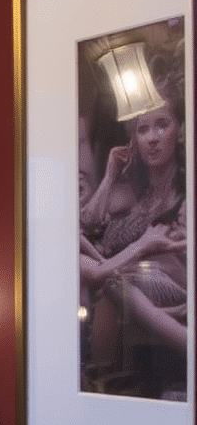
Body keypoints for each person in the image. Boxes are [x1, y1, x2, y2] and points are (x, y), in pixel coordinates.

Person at [79, 72, 187, 398]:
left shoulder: (185, 193)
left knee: (115, 282)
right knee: (114, 282)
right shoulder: (130, 193)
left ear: (180, 131)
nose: (152, 137)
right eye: (143, 129)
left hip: (169, 305)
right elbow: (85, 224)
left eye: (162, 125)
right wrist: (110, 176)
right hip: (124, 318)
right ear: (134, 140)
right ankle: (99, 385)